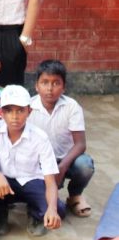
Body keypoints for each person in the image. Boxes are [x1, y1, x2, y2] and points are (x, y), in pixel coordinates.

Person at [0, 85, 65, 237]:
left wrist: (51, 209)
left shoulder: (40, 137)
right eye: (8, 111)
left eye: (20, 110)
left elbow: (50, 181)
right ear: (1, 112)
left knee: (57, 210)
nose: (14, 116)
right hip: (5, 183)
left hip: (32, 182)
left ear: (29, 111)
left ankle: (35, 213)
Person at [28, 59, 95, 219]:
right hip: (39, 162)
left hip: (66, 160)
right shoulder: (28, 107)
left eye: (56, 83)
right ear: (36, 86)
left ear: (64, 87)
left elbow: (80, 144)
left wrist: (63, 167)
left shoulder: (72, 107)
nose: (50, 89)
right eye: (44, 82)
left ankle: (75, 196)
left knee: (85, 165)